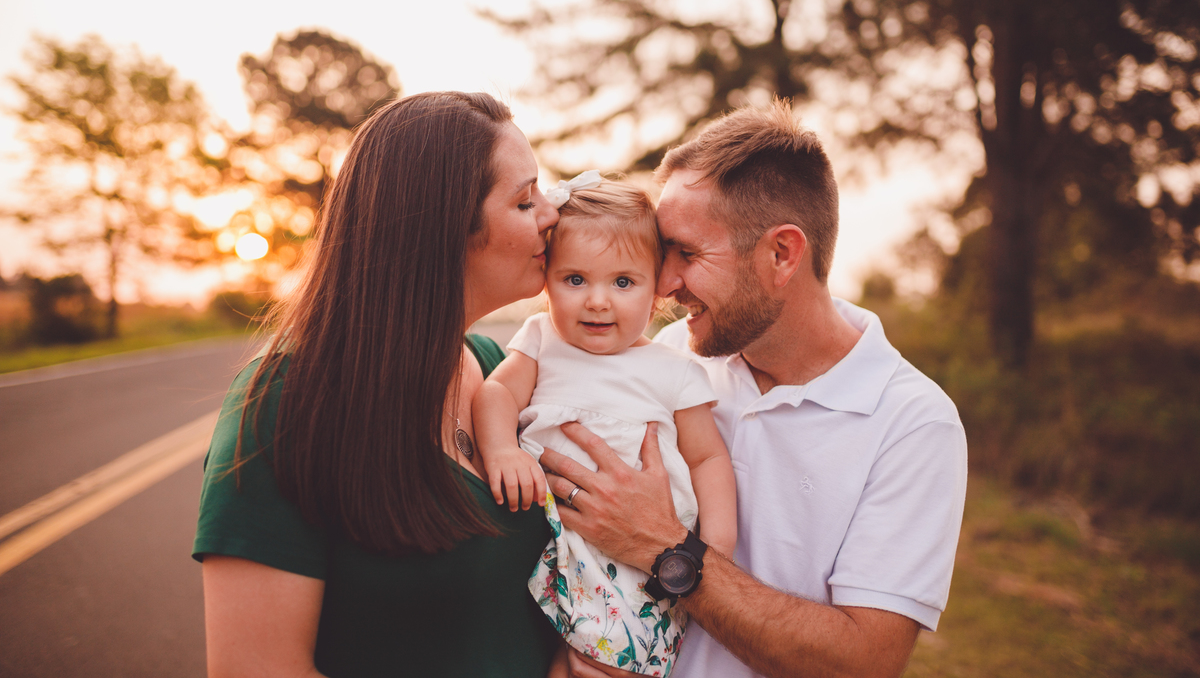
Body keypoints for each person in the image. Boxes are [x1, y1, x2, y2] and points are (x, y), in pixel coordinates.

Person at [537, 100, 969, 678]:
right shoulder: (665, 358)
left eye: (687, 254)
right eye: (663, 254)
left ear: (781, 254)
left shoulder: (913, 425)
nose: (664, 284)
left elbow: (863, 662)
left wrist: (668, 550)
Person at [193, 91, 564, 678]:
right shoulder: (290, 400)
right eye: (525, 201)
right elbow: (256, 667)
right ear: (446, 226)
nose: (552, 214)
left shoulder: (501, 371)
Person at [472, 177, 737, 678]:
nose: (597, 301)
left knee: (605, 665)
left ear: (657, 284)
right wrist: (502, 449)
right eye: (575, 280)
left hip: (636, 561)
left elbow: (709, 458)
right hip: (550, 536)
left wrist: (714, 554)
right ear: (546, 275)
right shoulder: (542, 337)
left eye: (622, 282)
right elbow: (497, 392)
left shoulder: (675, 371)